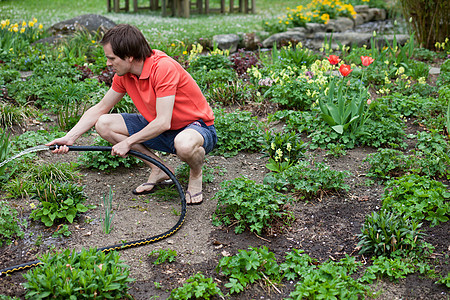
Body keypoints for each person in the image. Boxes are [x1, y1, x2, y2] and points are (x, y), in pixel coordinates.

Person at [46, 24, 217, 205]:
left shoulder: (163, 68)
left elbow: (163, 122)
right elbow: (101, 107)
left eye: (111, 58)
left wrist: (128, 142)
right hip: (160, 127)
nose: (108, 63)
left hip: (196, 128)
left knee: (183, 144)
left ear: (129, 56)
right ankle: (159, 169)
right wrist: (70, 137)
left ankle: (196, 174)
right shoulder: (124, 74)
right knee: (104, 123)